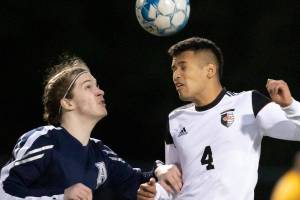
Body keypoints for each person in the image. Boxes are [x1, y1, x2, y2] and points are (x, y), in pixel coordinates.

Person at [137, 37, 300, 200]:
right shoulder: (175, 119)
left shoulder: (249, 103)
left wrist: (290, 105)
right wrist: (156, 193)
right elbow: (174, 185)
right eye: (173, 69)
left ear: (210, 70)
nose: (176, 75)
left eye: (183, 67)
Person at [0, 54, 181, 200]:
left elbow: (137, 181)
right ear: (67, 103)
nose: (100, 91)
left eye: (98, 86)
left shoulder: (100, 153)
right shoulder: (44, 141)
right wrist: (61, 197)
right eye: (88, 87)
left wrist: (160, 169)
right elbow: (4, 192)